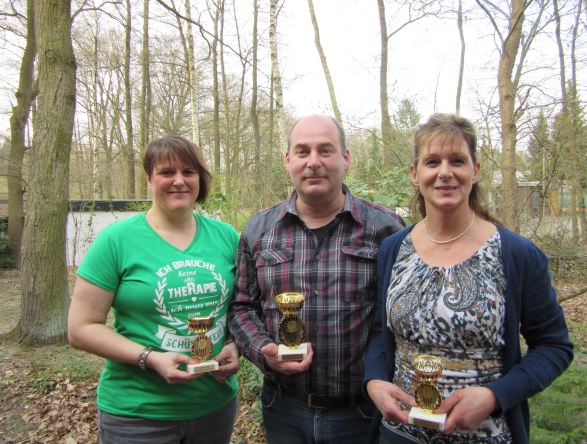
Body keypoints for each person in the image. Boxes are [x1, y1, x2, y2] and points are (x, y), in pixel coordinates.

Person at [363, 113, 573, 444]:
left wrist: (496, 395)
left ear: (474, 171)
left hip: (485, 436)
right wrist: (374, 381)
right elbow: (379, 332)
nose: (444, 172)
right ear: (415, 174)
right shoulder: (393, 249)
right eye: (432, 161)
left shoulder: (515, 254)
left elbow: (554, 345)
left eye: (457, 161)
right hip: (399, 434)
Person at [228, 114, 405, 444]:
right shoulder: (258, 230)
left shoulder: (386, 229)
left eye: (325, 150)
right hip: (283, 410)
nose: (313, 162)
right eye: (302, 151)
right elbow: (241, 308)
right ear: (287, 160)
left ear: (346, 158)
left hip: (361, 412)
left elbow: (396, 320)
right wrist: (263, 348)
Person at [67, 135, 240, 444]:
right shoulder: (116, 241)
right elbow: (81, 328)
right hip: (138, 414)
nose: (179, 181)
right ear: (149, 178)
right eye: (166, 172)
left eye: (188, 172)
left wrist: (237, 345)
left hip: (214, 406)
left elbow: (242, 307)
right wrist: (151, 358)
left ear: (200, 178)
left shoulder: (226, 236)